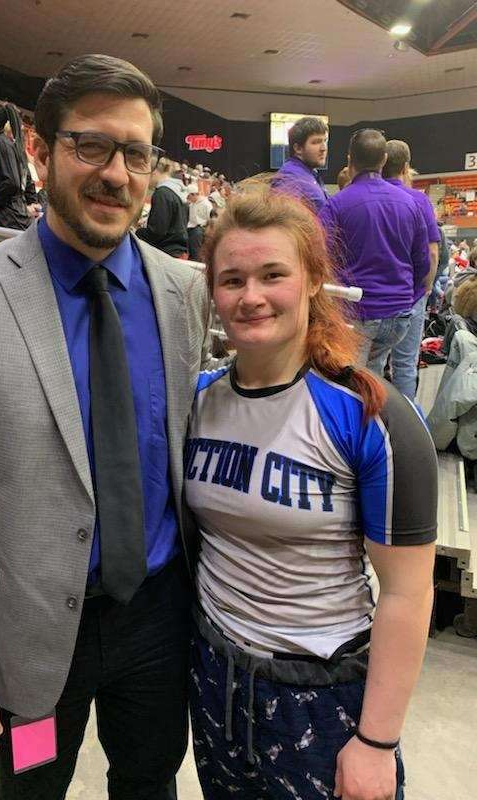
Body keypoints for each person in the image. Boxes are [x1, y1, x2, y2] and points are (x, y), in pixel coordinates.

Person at [0, 53, 210, 800]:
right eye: (91, 145)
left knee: (149, 778)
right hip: (28, 634)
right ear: (40, 149)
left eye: (135, 153)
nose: (116, 174)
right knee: (32, 786)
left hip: (157, 622)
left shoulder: (181, 294)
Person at [185, 187, 437, 800]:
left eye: (273, 275)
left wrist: (378, 741)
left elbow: (407, 592)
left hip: (321, 695)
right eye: (232, 279)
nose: (251, 297)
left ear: (312, 280)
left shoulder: (371, 417)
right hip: (215, 675)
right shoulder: (196, 399)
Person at [319, 129, 430, 369]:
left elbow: (321, 259)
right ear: (384, 160)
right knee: (375, 375)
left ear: (349, 160)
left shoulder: (336, 205)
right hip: (399, 314)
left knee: (352, 380)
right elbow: (422, 260)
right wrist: (407, 296)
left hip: (358, 312)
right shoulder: (410, 203)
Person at [381, 140, 440, 399]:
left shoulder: (368, 197)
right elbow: (432, 252)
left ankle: (371, 428)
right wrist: (425, 287)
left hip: (373, 297)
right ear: (406, 167)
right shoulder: (418, 200)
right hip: (410, 295)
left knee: (370, 368)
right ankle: (408, 435)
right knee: (405, 367)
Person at [0, 98, 39, 230]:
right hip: (14, 219)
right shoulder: (6, 143)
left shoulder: (0, 142)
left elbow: (12, 182)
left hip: (10, 221)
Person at [270, 116, 329, 213]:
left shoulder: (310, 174)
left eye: (325, 141)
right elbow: (283, 222)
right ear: (298, 149)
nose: (323, 148)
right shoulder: (290, 179)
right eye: (316, 142)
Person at [136, 156, 188, 257]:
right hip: (177, 251)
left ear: (154, 172)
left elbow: (157, 232)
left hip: (166, 252)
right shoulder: (178, 191)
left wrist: (137, 232)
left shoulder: (162, 193)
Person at [186, 182, 212, 261]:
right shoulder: (192, 204)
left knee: (196, 236)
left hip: (201, 228)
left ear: (194, 194)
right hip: (191, 226)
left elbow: (210, 220)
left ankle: (196, 260)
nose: (188, 198)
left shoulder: (206, 204)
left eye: (189, 196)